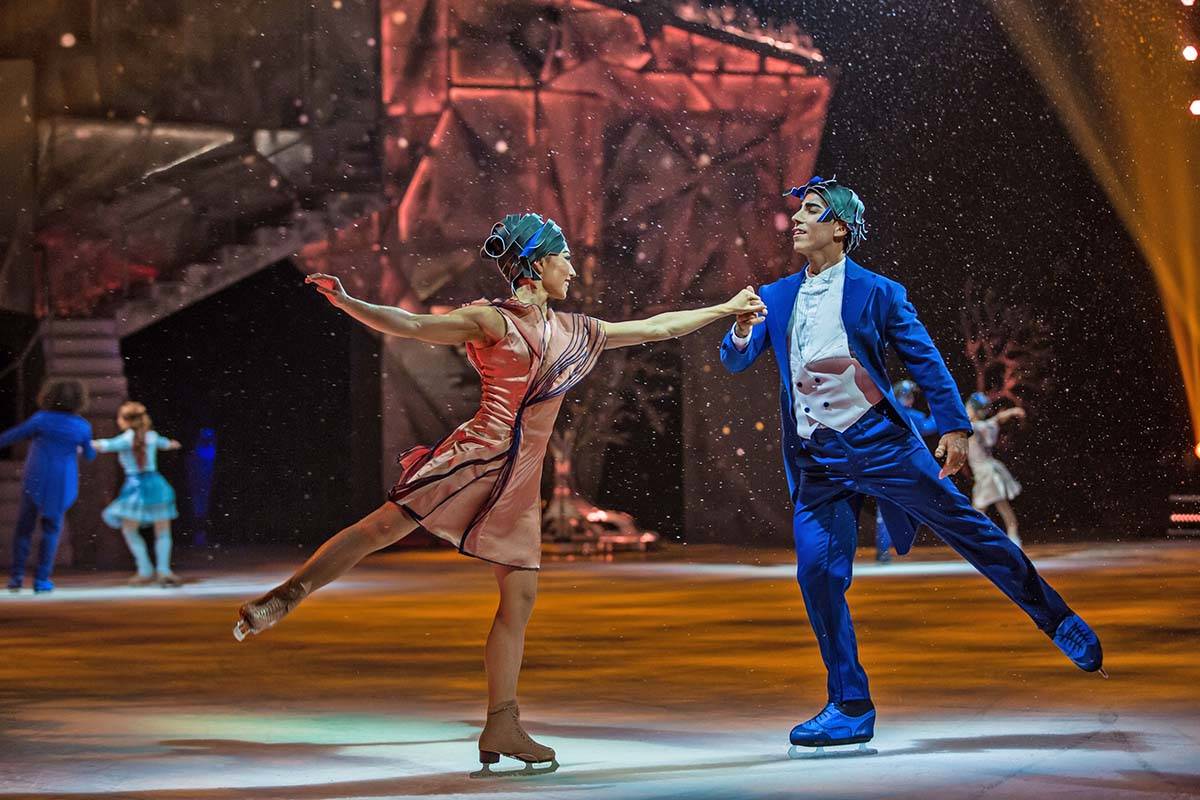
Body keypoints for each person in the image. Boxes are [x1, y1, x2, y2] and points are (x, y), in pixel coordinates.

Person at [231, 212, 764, 776]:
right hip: (478, 456)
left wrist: (725, 310)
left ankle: (502, 721)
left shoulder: (577, 331)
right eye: (561, 257)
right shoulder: (493, 320)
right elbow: (411, 325)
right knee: (381, 529)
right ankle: (287, 596)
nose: (571, 267)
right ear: (535, 264)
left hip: (520, 480)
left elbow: (660, 328)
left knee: (521, 599)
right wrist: (348, 303)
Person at [718, 176, 1103, 756]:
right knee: (818, 576)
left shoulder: (879, 292)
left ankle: (1056, 617)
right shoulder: (774, 297)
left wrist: (953, 425)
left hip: (879, 444)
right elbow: (737, 359)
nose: (796, 219)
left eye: (812, 212)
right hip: (816, 459)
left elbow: (924, 358)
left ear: (841, 228)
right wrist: (742, 329)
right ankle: (849, 705)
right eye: (798, 210)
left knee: (971, 531)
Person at [0, 379, 95, 593]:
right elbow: (89, 455)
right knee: (51, 530)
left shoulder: (41, 419)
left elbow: (12, 436)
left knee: (24, 529)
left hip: (37, 476)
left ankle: (16, 577)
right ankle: (42, 579)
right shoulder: (82, 426)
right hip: (62, 481)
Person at [92, 402, 182, 587]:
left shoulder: (126, 439)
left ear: (125, 420)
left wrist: (87, 443)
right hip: (155, 485)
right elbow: (165, 443)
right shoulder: (151, 436)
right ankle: (163, 570)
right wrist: (172, 444)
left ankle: (146, 568)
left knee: (130, 529)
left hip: (137, 488)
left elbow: (106, 445)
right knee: (162, 530)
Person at [873, 379, 937, 562]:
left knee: (886, 509)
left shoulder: (882, 414)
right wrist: (937, 410)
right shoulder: (910, 415)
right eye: (907, 396)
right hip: (904, 467)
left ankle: (884, 550)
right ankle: (894, 546)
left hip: (884, 466)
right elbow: (929, 426)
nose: (910, 399)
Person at [965, 391, 1026, 546]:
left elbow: (992, 421)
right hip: (987, 471)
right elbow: (995, 420)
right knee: (999, 506)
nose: (966, 410)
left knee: (979, 509)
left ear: (973, 410)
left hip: (986, 473)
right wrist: (1011, 412)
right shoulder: (981, 426)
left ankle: (977, 539)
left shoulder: (975, 427)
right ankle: (1009, 535)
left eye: (969, 408)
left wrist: (1008, 413)